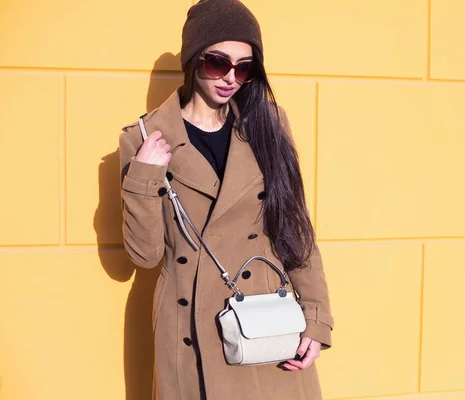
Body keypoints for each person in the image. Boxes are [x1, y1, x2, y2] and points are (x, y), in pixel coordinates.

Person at [118, 1, 334, 399]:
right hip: (190, 329)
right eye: (217, 62)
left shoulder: (268, 123)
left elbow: (295, 229)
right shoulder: (143, 138)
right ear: (193, 59)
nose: (231, 77)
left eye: (244, 67)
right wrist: (144, 175)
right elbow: (145, 256)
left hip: (267, 325)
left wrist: (316, 320)